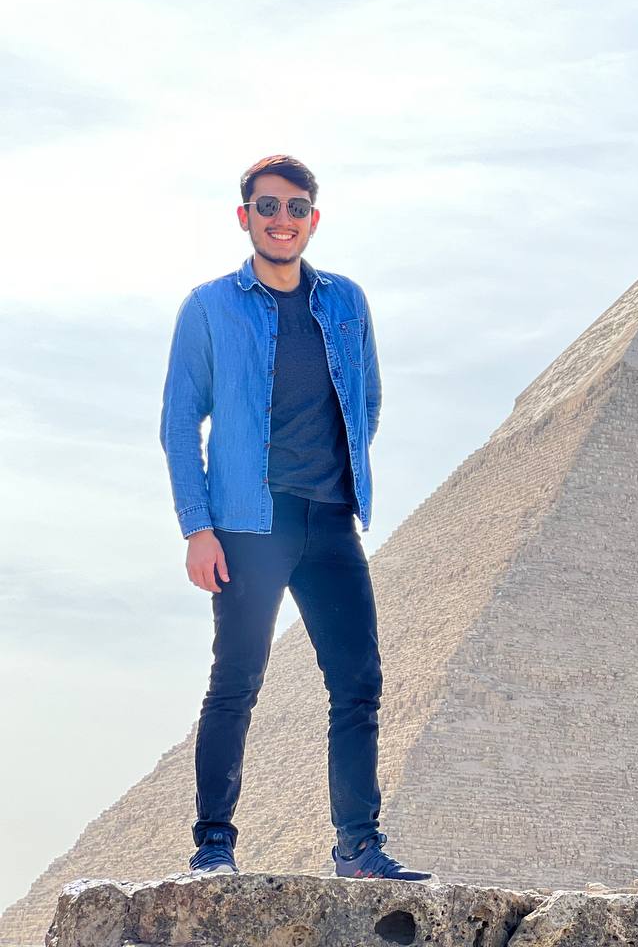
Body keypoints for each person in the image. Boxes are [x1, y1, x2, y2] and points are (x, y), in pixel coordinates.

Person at [159, 154, 431, 881]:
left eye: (297, 208)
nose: (283, 220)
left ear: (314, 217)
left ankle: (357, 847)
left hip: (331, 518)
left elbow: (366, 400)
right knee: (237, 681)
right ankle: (213, 846)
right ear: (244, 216)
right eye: (268, 207)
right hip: (248, 524)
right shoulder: (209, 307)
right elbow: (180, 422)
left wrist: (336, 473)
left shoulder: (346, 301)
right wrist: (197, 526)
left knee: (358, 682)